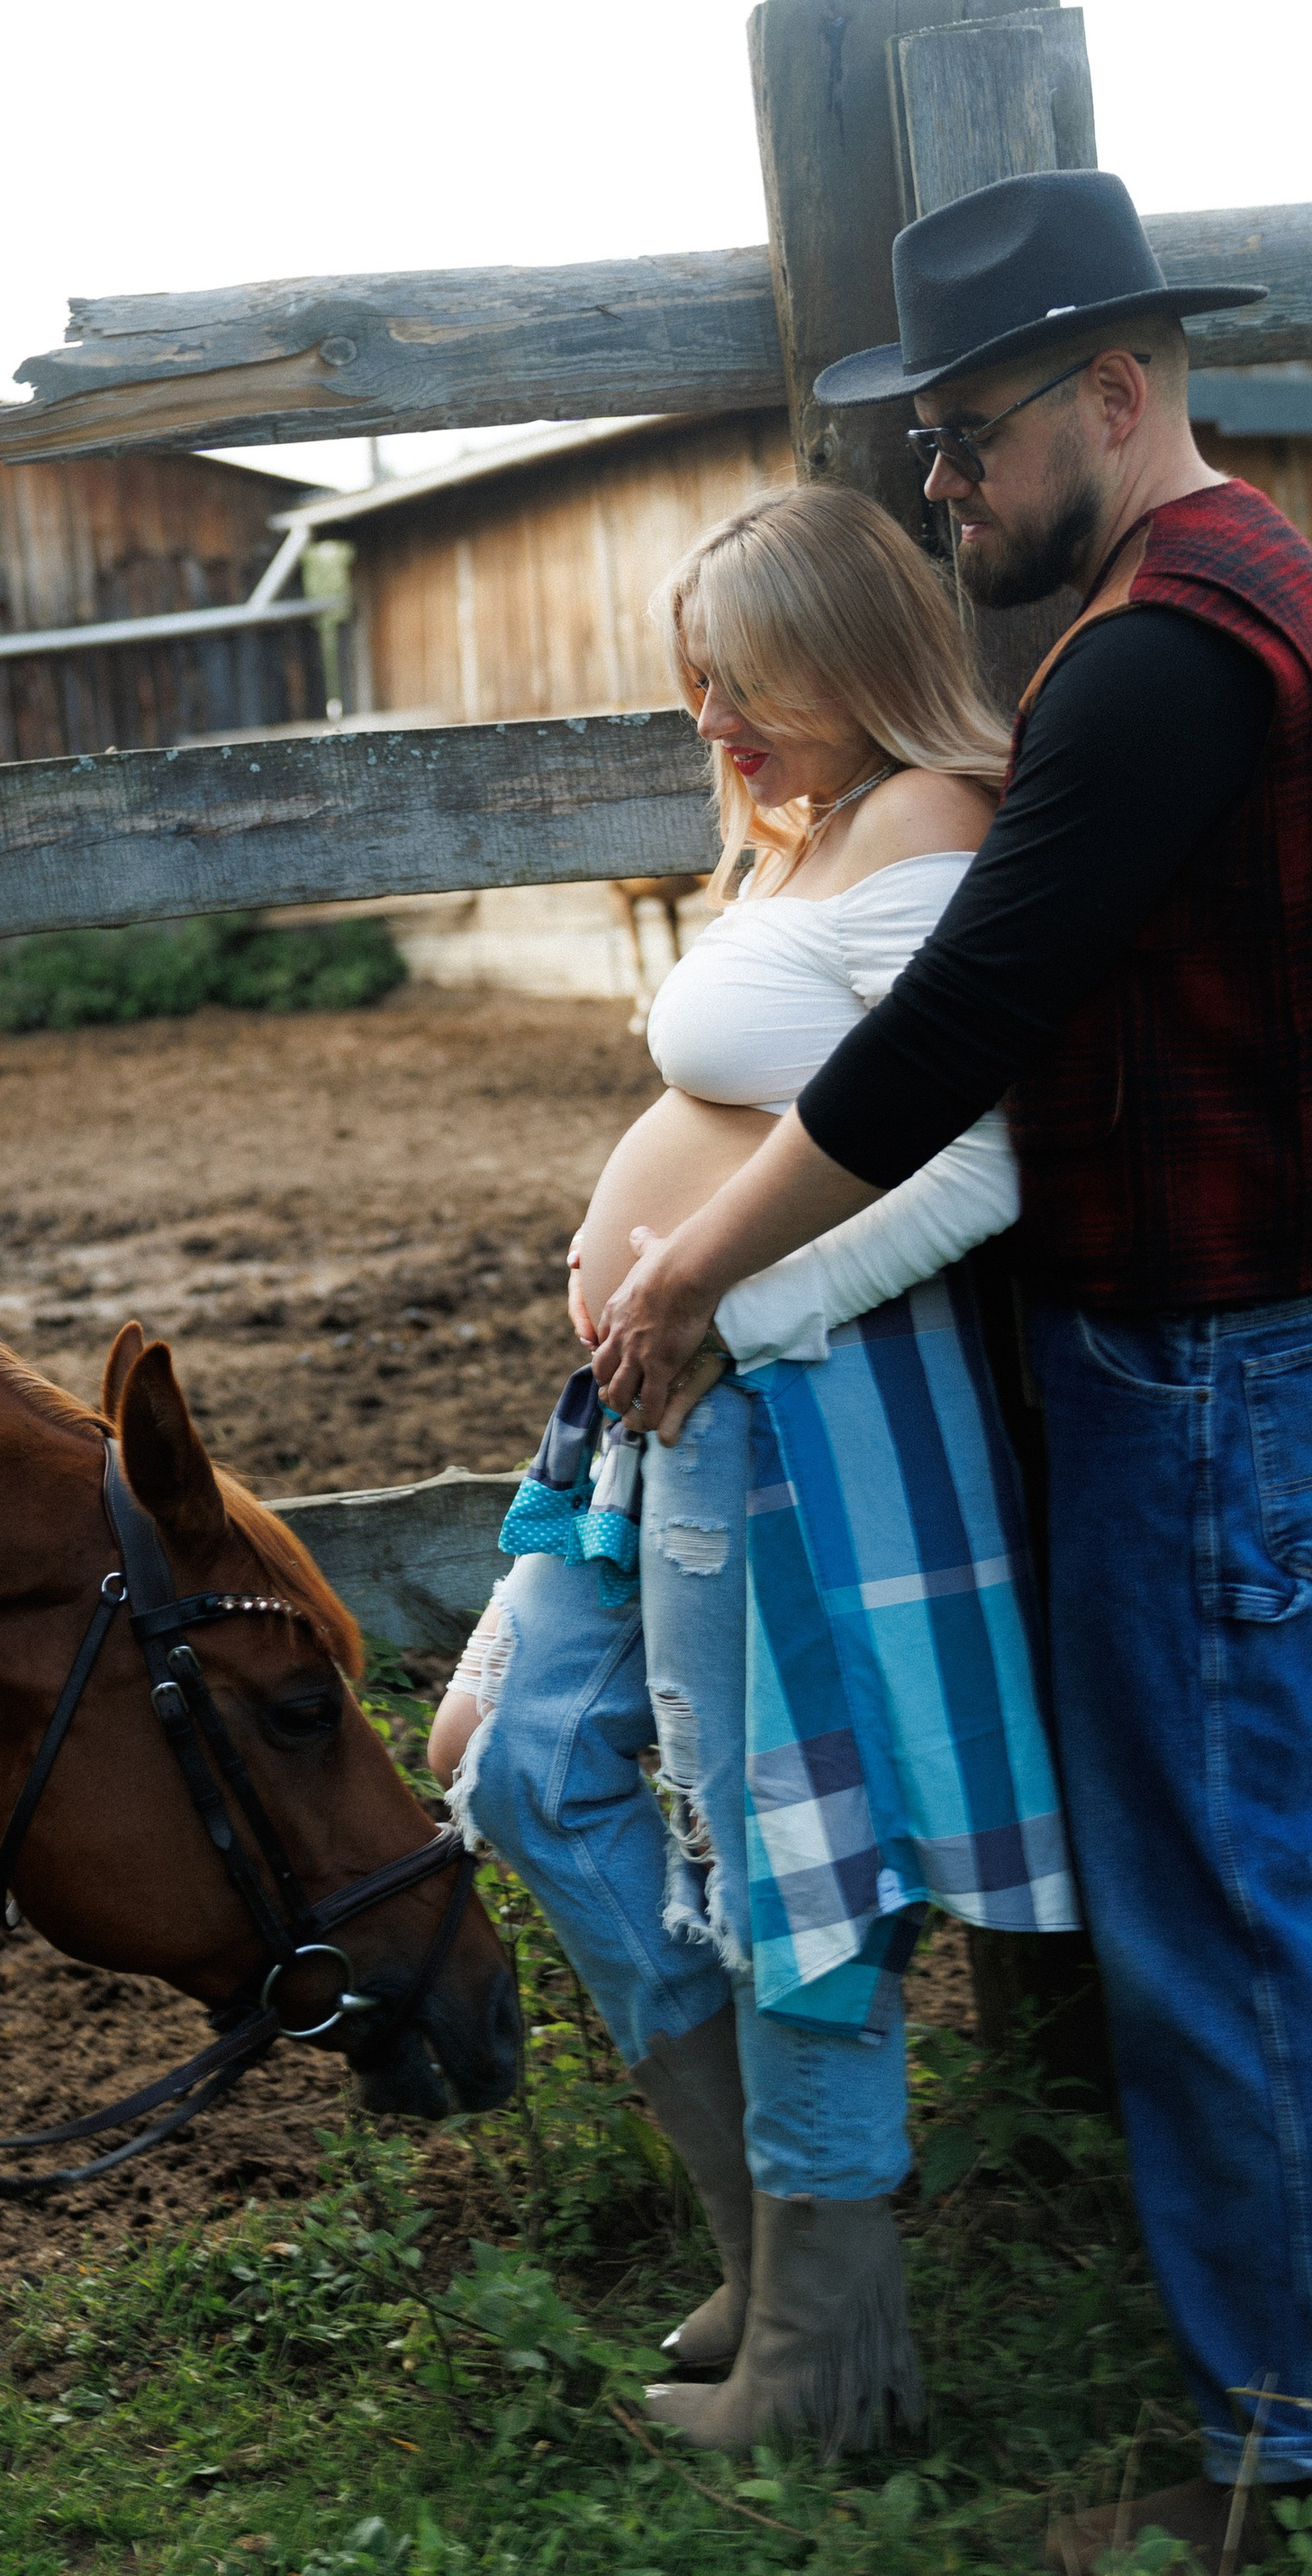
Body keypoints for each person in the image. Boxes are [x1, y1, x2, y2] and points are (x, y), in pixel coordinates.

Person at [588, 169, 1312, 2576]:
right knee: (1289, 1826)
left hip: (1206, 1351)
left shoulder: (1149, 666)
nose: (943, 487)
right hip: (1273, 1324)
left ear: (1118, 391)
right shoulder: (1255, 594)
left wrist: (693, 1269)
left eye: (974, 434)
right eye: (921, 449)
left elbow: (955, 1029)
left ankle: (1296, 2448)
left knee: (1211, 1881)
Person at [432, 482, 1074, 2458]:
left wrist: (725, 1313)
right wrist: (661, 1323)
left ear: (851, 657)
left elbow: (977, 1161)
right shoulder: (804, 833)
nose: (713, 729)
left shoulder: (936, 827)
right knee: (514, 1755)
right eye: (695, 692)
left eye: (746, 688)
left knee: (796, 1860)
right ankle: (757, 2246)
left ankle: (821, 2350)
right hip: (658, 1419)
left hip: (800, 1414)